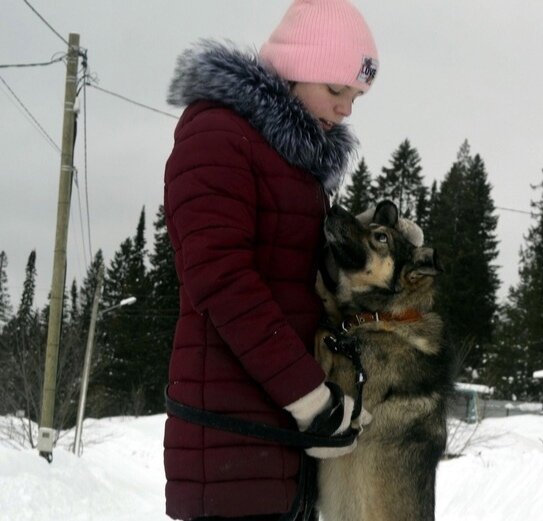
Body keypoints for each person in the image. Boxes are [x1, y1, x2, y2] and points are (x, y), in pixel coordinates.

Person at [162, 1, 379, 520]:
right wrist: (311, 398)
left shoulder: (297, 164)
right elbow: (222, 280)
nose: (346, 108)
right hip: (230, 448)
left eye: (356, 96)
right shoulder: (217, 135)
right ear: (295, 68)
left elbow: (297, 287)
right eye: (335, 90)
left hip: (282, 452)